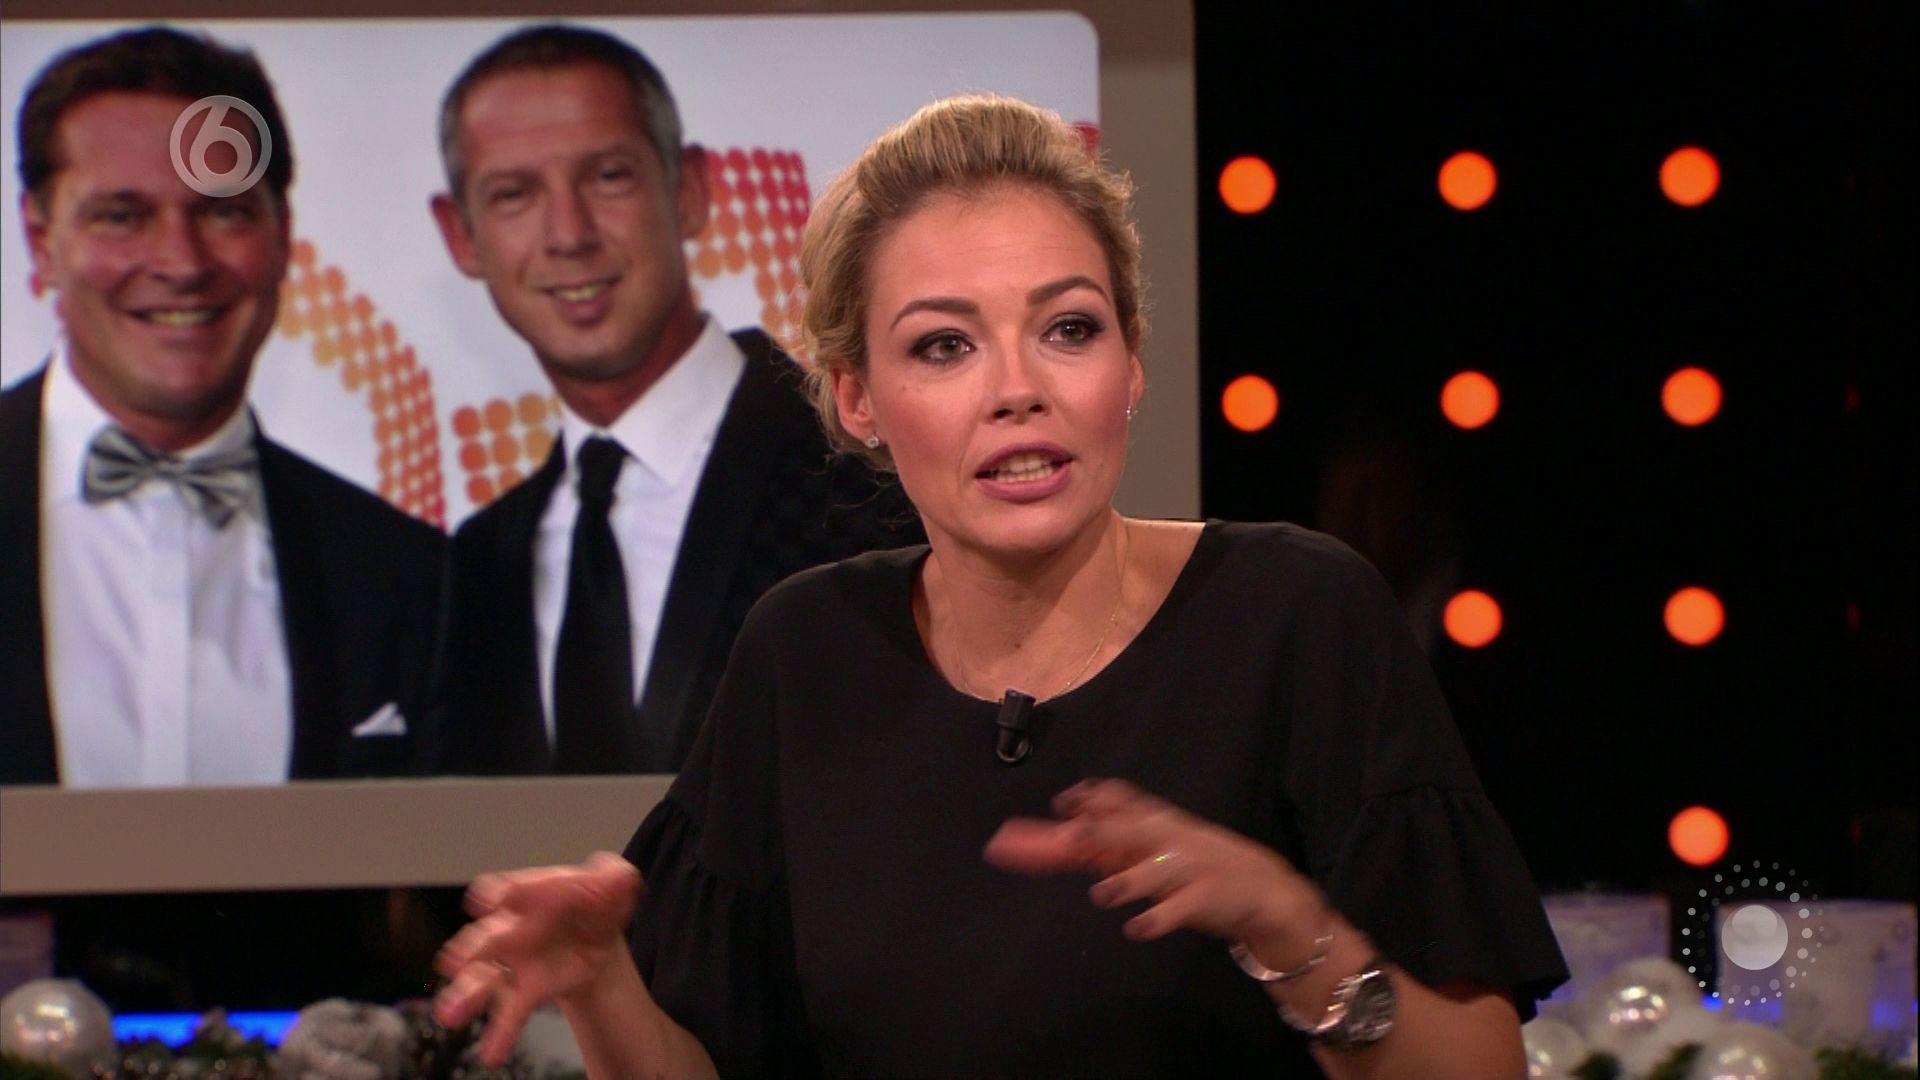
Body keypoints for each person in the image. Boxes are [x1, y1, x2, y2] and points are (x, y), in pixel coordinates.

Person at [432, 96, 1567, 1078]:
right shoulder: (804, 650)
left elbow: (1480, 1065)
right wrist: (600, 983)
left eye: (1069, 329)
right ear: (857, 400)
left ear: (1131, 363)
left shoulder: (1298, 615)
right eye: (944, 346)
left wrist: (1287, 925)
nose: (1019, 388)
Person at [428, 24, 918, 776]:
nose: (568, 234)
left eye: (608, 176)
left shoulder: (877, 483)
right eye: (514, 194)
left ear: (688, 190)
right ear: (461, 235)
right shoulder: (474, 565)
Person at [0, 26, 444, 786]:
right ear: (41, 242)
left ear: (282, 237)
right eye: (122, 216)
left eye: (223, 212)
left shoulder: (408, 575)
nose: (182, 263)